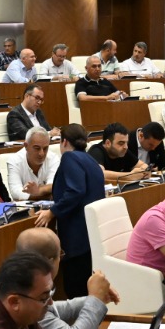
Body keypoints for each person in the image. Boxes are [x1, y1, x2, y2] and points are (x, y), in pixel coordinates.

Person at [12, 227, 116, 329]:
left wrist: (96, 297)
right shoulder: (25, 297)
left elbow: (54, 309)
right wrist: (95, 299)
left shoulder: (20, 279)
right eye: (60, 254)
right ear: (50, 261)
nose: (48, 302)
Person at [49, 124, 106, 297]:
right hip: (90, 233)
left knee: (75, 289)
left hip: (76, 233)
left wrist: (52, 211)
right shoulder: (90, 159)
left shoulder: (69, 158)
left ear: (64, 141)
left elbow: (76, 190)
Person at [3, 126, 57, 207]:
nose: (41, 153)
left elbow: (55, 186)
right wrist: (46, 194)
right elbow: (16, 193)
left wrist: (38, 191)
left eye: (45, 148)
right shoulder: (14, 161)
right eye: (37, 148)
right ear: (26, 146)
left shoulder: (53, 158)